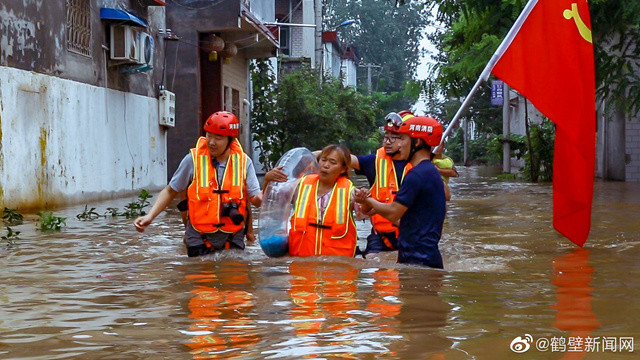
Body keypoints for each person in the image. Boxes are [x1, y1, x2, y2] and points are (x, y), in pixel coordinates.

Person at [134, 111, 263, 257]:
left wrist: (270, 186)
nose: (211, 142)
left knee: (234, 275)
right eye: (209, 135)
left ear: (231, 140)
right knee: (198, 276)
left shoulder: (244, 162)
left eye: (218, 138)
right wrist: (150, 217)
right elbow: (171, 191)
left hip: (233, 234)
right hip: (198, 234)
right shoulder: (193, 160)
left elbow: (255, 199)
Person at [355, 116, 447, 269]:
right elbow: (407, 220)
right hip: (423, 259)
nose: (399, 144)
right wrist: (372, 206)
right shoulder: (429, 172)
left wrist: (367, 200)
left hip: (418, 262)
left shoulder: (416, 175)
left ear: (416, 142)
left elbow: (393, 213)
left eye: (402, 139)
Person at [348, 112, 413, 255]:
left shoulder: (418, 164)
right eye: (386, 137)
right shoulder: (374, 161)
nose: (387, 142)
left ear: (405, 140)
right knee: (372, 264)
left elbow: (445, 194)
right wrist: (317, 155)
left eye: (393, 138)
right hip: (380, 235)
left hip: (409, 234)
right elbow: (344, 159)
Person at [288, 144, 357, 257]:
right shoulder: (300, 186)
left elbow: (366, 211)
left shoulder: (351, 191)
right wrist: (267, 180)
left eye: (332, 162)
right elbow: (271, 201)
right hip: (302, 263)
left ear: (343, 169)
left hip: (337, 267)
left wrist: (364, 201)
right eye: (323, 160)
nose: (326, 165)